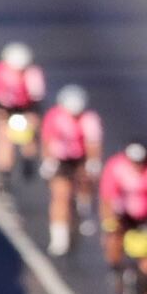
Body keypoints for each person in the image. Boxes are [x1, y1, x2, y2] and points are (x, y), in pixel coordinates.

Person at [41, 85, 103, 257]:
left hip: (80, 159)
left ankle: (85, 209)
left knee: (85, 183)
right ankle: (59, 238)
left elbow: (93, 143)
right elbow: (47, 140)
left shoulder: (90, 119)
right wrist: (48, 161)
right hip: (61, 160)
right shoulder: (54, 117)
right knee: (60, 196)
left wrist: (92, 164)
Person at [98, 140, 147, 276]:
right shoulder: (116, 166)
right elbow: (107, 198)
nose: (137, 166)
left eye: (141, 162)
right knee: (113, 239)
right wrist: (109, 222)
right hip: (122, 214)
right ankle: (116, 271)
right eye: (134, 161)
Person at [0, 41, 46, 175]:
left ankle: (29, 159)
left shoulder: (33, 74)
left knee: (30, 133)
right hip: (5, 109)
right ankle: (4, 170)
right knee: (3, 136)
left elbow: (36, 99)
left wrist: (33, 117)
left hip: (26, 108)